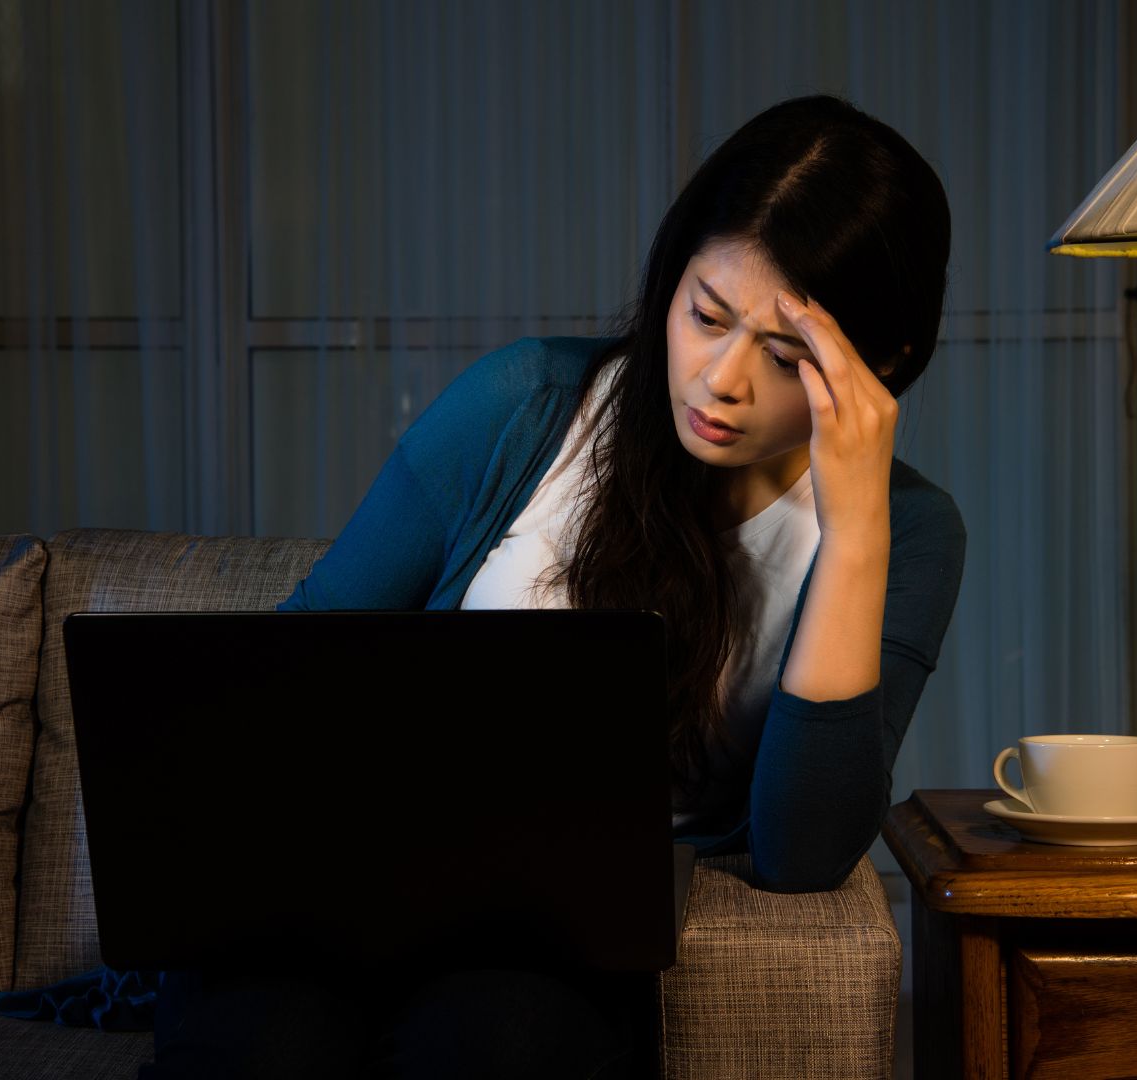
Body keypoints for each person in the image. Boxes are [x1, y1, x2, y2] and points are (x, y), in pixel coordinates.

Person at [142, 92, 964, 1079]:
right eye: (705, 315)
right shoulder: (526, 402)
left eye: (786, 356)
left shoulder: (906, 535)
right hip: (344, 891)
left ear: (882, 365)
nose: (719, 380)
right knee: (261, 1044)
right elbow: (294, 667)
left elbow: (804, 852)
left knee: (499, 1042)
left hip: (544, 948)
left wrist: (855, 527)